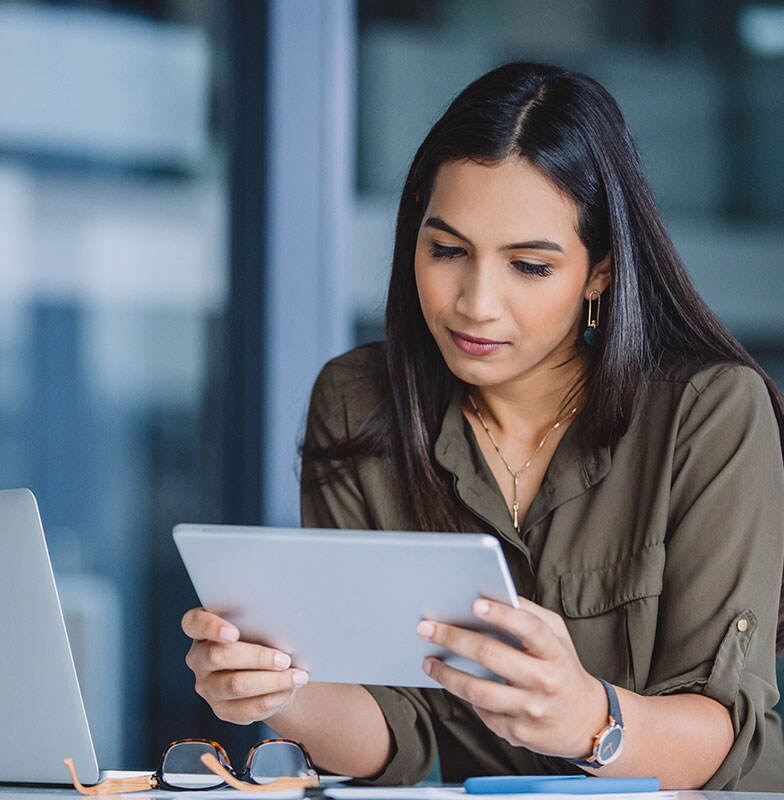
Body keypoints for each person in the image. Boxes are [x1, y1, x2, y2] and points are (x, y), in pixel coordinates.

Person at [181, 61, 784, 790]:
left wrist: (591, 719)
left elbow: (732, 733)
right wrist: (282, 692)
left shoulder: (708, 412)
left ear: (599, 273)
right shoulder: (359, 401)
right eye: (447, 251)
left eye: (529, 266)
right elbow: (396, 735)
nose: (475, 304)